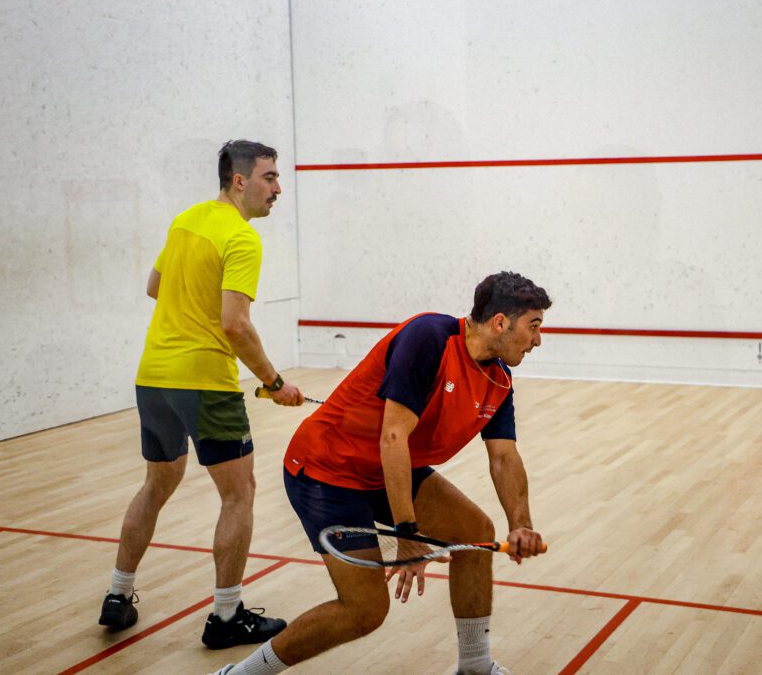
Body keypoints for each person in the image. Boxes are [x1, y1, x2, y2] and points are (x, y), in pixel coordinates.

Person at [209, 271, 552, 675]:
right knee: (365, 610)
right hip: (326, 469)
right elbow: (393, 435)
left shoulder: (498, 379)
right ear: (500, 323)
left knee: (475, 531)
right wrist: (408, 534)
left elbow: (504, 458)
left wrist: (521, 524)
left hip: (385, 471)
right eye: (534, 327)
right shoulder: (429, 338)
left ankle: (474, 667)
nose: (538, 340)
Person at [98, 140, 304, 650]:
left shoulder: (186, 220)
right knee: (240, 494)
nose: (278, 188)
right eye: (270, 177)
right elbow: (235, 325)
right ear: (240, 181)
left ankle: (118, 595)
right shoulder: (241, 238)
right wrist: (274, 384)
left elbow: (155, 286)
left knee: (156, 484)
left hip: (153, 377)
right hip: (205, 382)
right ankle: (227, 616)